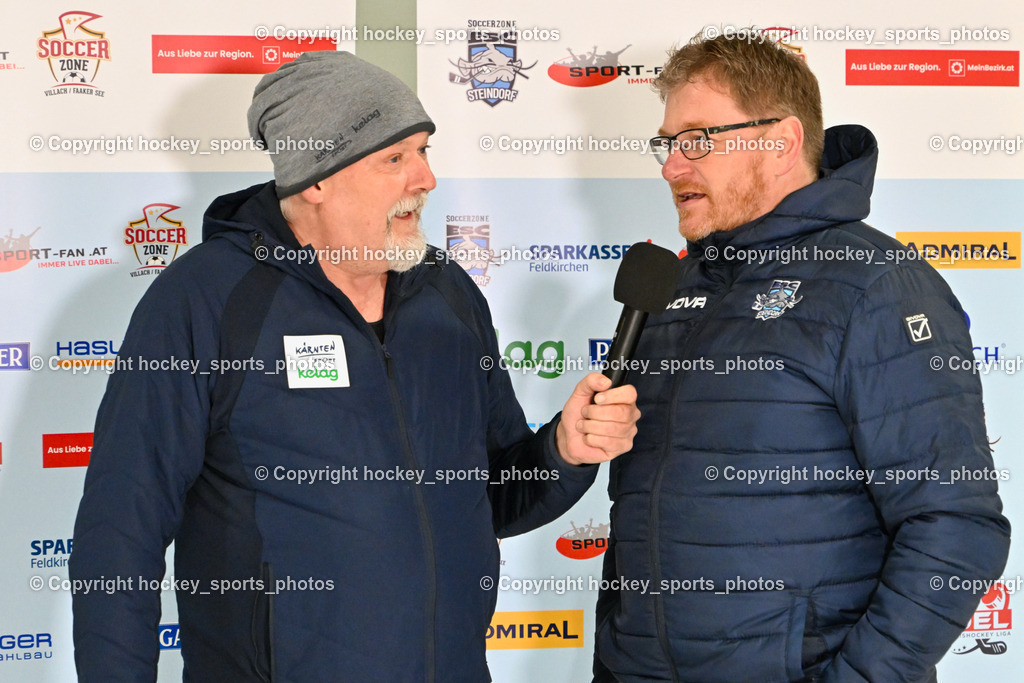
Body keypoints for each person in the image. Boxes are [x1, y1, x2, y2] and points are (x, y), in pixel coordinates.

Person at [69, 51, 640, 682]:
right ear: (316, 177)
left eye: (423, 151)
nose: (425, 178)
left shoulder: (447, 293)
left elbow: (491, 497)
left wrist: (562, 452)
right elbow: (121, 528)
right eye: (394, 158)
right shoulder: (206, 298)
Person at [593, 31, 1010, 682]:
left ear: (782, 141)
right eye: (667, 144)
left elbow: (954, 527)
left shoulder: (876, 287)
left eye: (697, 140)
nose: (672, 167)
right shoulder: (673, 289)